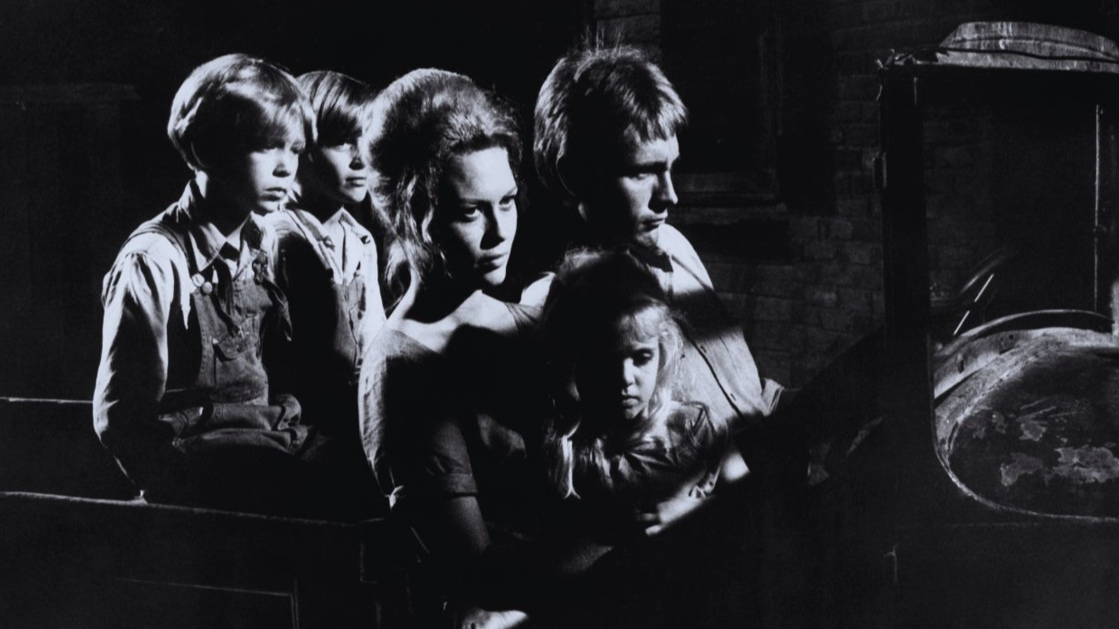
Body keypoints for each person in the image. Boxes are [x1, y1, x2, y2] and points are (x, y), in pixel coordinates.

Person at [531, 44, 786, 456]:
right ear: (576, 176)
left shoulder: (673, 244)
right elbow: (612, 469)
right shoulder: (562, 303)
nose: (670, 196)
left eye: (671, 167)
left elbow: (748, 400)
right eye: (642, 171)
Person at [92, 53, 319, 515]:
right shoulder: (155, 260)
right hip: (204, 474)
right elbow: (120, 419)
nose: (286, 167)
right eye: (266, 146)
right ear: (204, 151)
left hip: (274, 445)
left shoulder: (264, 240)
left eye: (294, 150)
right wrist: (178, 510)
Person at [358, 68, 544, 628]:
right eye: (470, 212)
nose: (499, 231)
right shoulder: (401, 368)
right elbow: (480, 573)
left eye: (507, 202)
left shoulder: (526, 313)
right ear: (413, 215)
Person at [540, 248, 748, 544]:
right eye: (605, 360)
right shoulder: (570, 452)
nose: (625, 378)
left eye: (641, 357)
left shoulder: (697, 429)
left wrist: (695, 511)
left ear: (661, 350)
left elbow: (749, 507)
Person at [264, 71, 385, 515]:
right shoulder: (277, 238)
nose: (360, 159)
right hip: (300, 439)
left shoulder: (360, 239)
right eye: (342, 143)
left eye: (365, 141)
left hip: (357, 423)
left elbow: (375, 349)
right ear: (302, 150)